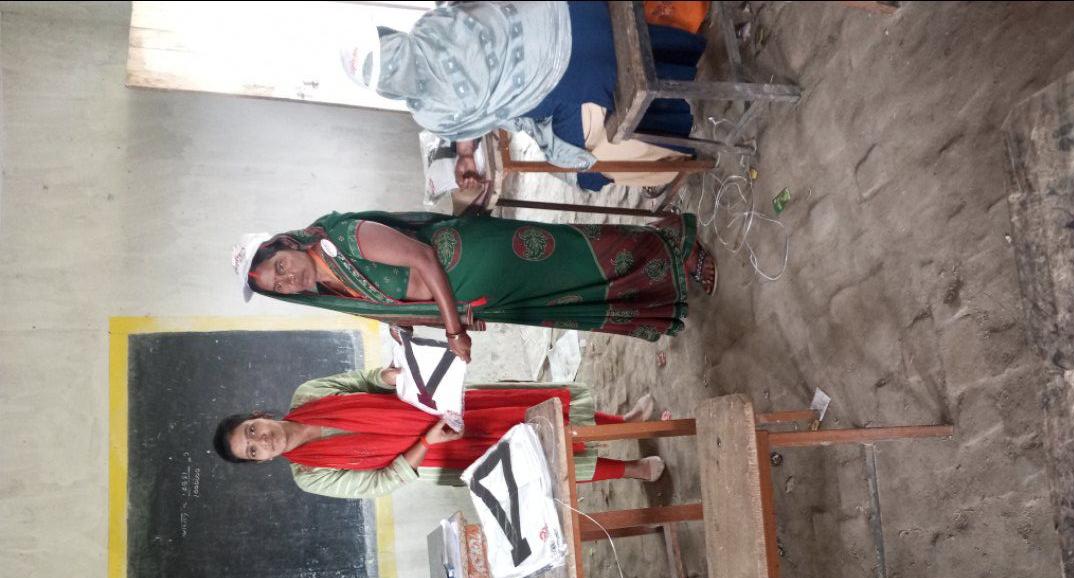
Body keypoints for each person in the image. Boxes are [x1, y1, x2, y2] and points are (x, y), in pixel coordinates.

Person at [230, 210, 715, 358]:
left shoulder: (341, 237)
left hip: (472, 259)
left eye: (279, 267)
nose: (287, 279)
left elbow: (420, 258)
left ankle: (677, 241)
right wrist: (401, 324)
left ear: (285, 244)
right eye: (278, 286)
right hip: (469, 295)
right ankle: (658, 277)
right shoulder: (332, 292)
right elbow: (390, 295)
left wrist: (453, 331)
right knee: (564, 296)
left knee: (577, 256)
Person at [341, 1, 709, 191]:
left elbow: (489, 117)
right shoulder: (430, 24)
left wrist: (465, 152)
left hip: (579, 80)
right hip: (575, 11)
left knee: (584, 169)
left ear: (384, 90)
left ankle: (673, 152)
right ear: (387, 35)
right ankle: (682, 61)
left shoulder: (429, 115)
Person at [213, 366, 667, 499]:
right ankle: (631, 469)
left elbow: (364, 381)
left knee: (529, 409)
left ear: (258, 414)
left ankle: (627, 424)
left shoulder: (308, 392)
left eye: (253, 430)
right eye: (253, 451)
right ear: (261, 462)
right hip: (439, 452)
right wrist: (429, 441)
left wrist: (390, 375)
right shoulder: (309, 476)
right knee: (536, 458)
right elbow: (379, 483)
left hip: (438, 406)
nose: (262, 440)